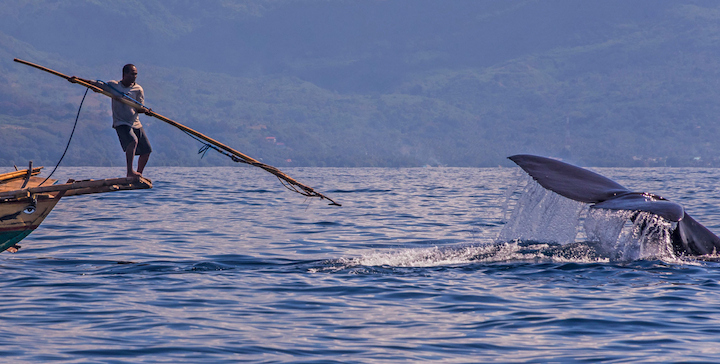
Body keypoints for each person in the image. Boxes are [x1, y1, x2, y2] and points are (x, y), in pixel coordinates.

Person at [72, 64, 152, 177]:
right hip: (121, 122)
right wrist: (77, 80)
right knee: (132, 141)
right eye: (132, 74)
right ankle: (130, 172)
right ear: (124, 74)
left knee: (147, 150)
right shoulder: (114, 86)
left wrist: (146, 111)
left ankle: (138, 174)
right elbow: (95, 84)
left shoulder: (138, 89)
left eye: (136, 74)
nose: (134, 76)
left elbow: (140, 107)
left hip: (135, 122)